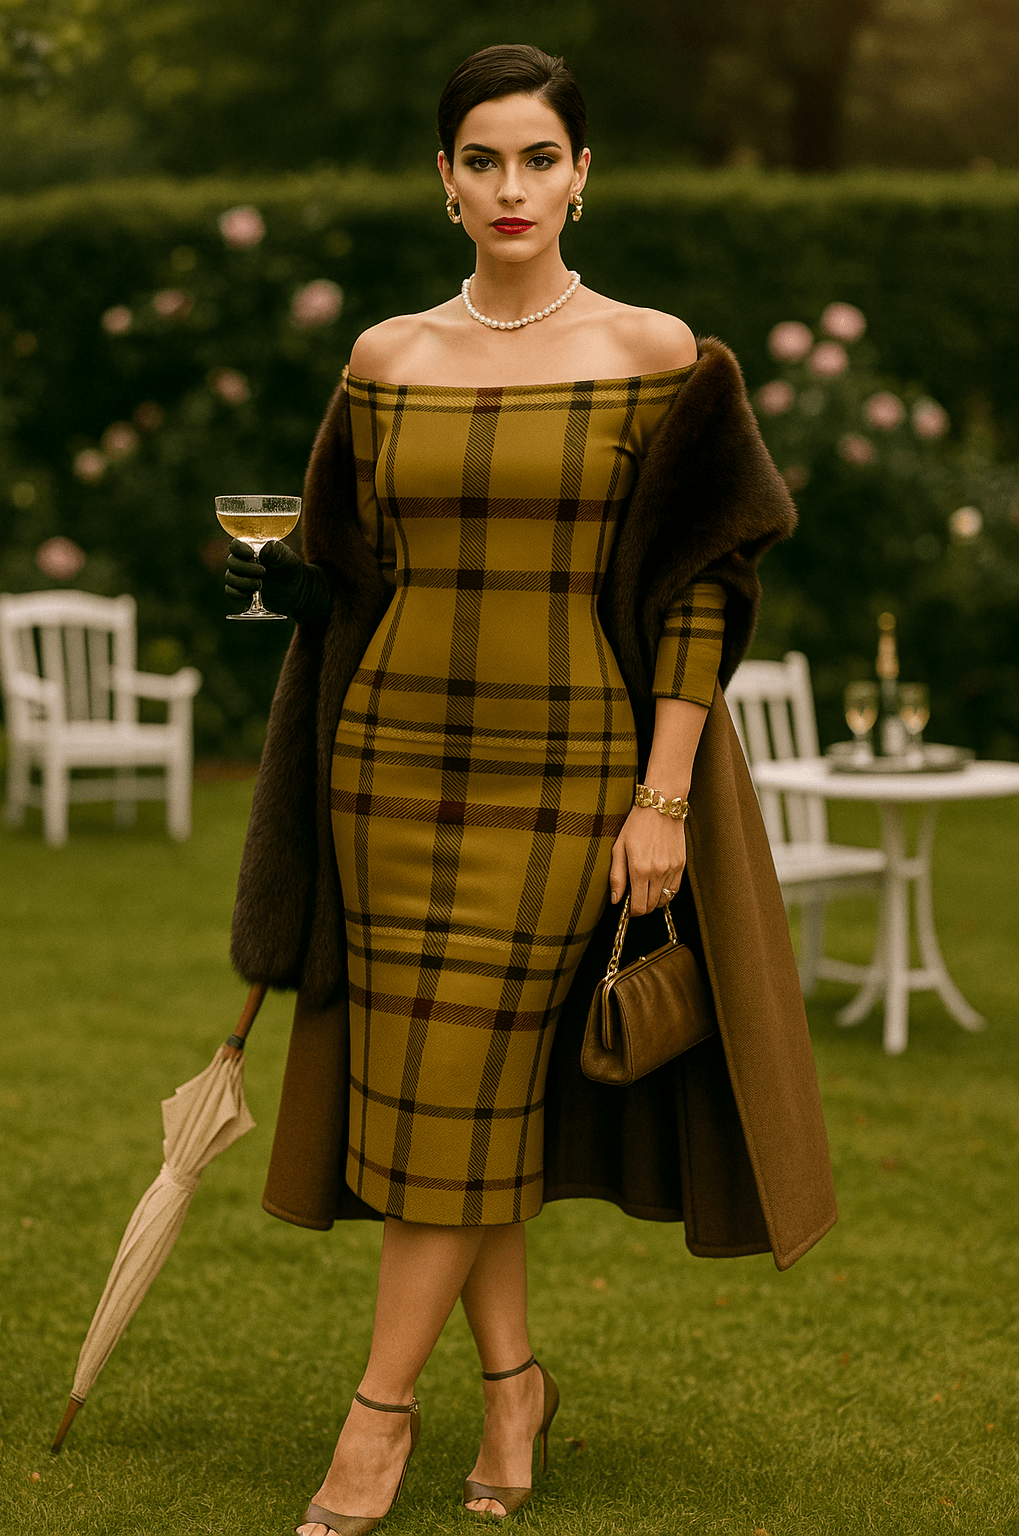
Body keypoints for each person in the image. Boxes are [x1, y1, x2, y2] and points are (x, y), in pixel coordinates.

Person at [225, 44, 837, 1536]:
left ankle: (376, 1418)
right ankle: (513, 1385)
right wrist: (267, 574)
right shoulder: (384, 360)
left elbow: (700, 586)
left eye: (539, 159)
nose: (512, 188)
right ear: (445, 183)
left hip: (568, 773)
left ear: (582, 174)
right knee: (468, 1095)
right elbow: (343, 570)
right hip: (389, 766)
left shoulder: (653, 352)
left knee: (456, 1083)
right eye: (482, 161)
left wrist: (666, 795)